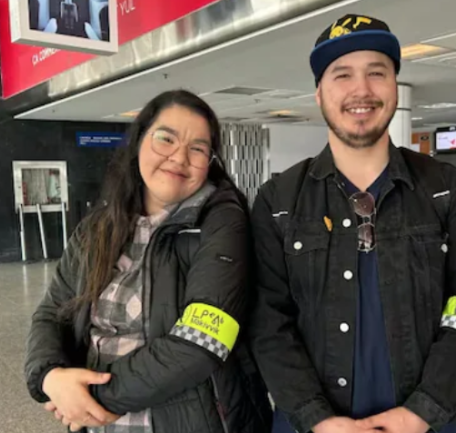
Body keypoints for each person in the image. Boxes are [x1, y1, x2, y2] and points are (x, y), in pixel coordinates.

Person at [249, 14, 456, 433]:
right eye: (342, 74)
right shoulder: (278, 201)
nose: (361, 90)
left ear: (395, 86)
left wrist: (424, 410)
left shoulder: (447, 189)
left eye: (376, 72)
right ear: (319, 93)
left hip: (427, 423)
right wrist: (316, 418)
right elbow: (267, 322)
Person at [25, 90, 272, 433]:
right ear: (139, 141)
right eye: (166, 139)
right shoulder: (99, 227)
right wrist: (50, 376)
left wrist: (88, 398)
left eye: (198, 149)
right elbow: (53, 312)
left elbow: (204, 340)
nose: (179, 157)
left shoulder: (223, 223)